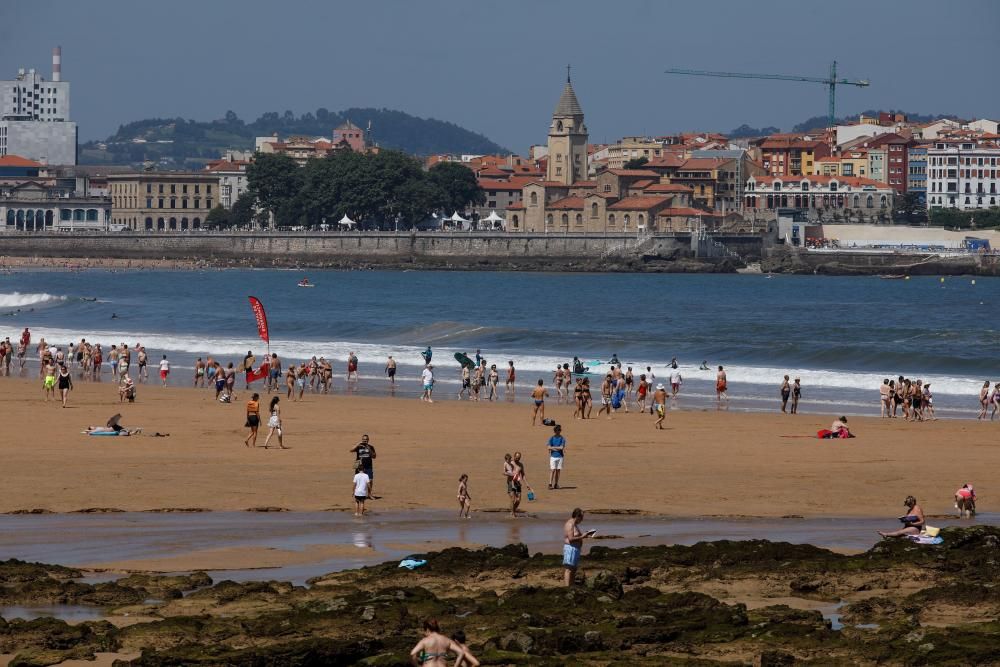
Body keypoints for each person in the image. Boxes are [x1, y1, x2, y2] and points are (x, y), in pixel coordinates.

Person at [563, 508, 595, 586]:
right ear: (577, 516)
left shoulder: (575, 524)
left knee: (573, 569)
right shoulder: (570, 524)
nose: (582, 520)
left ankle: (572, 586)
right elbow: (570, 539)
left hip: (575, 549)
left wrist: (586, 534)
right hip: (570, 548)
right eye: (582, 518)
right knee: (569, 569)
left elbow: (577, 536)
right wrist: (582, 537)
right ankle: (567, 588)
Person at [349, 434, 377, 498]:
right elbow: (351, 450)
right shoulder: (359, 446)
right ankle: (356, 493)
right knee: (357, 480)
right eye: (364, 440)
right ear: (362, 440)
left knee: (370, 480)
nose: (365, 441)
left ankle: (369, 494)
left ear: (368, 440)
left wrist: (369, 448)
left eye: (366, 440)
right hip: (359, 466)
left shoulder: (371, 447)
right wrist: (358, 444)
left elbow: (374, 456)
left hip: (368, 466)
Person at [547, 424, 565, 490]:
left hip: (560, 457)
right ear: (555, 431)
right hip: (553, 456)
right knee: (552, 470)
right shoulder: (551, 438)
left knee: (558, 470)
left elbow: (562, 447)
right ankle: (550, 484)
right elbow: (548, 447)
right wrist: (556, 448)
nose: (559, 431)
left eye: (559, 430)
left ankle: (556, 484)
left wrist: (553, 447)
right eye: (557, 430)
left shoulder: (562, 438)